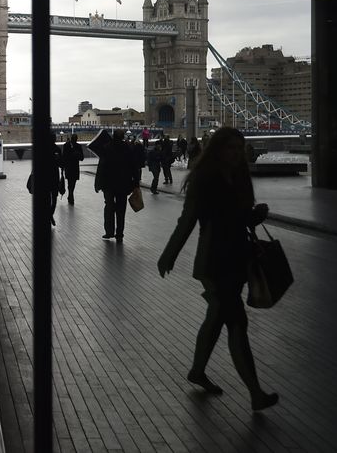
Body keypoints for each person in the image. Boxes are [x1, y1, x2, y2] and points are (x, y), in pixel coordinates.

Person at [157, 127, 278, 412]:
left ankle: (197, 371)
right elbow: (187, 221)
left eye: (240, 148)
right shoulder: (205, 179)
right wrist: (169, 255)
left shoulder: (239, 177)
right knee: (237, 323)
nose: (236, 154)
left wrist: (253, 216)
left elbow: (237, 218)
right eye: (231, 148)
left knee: (217, 319)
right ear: (217, 149)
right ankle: (255, 393)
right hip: (214, 261)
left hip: (237, 258)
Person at [96, 129, 139, 242]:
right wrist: (136, 183)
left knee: (109, 207)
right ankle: (119, 233)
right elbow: (134, 167)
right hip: (123, 185)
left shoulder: (107, 148)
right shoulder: (128, 149)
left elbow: (101, 167)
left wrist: (98, 183)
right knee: (121, 210)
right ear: (123, 137)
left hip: (108, 184)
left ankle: (109, 231)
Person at [61, 134, 84, 205]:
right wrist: (77, 154)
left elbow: (63, 157)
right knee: (73, 182)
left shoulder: (66, 145)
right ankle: (71, 195)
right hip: (75, 167)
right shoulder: (78, 146)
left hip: (68, 167)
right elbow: (82, 158)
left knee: (70, 182)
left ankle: (70, 194)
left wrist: (62, 167)